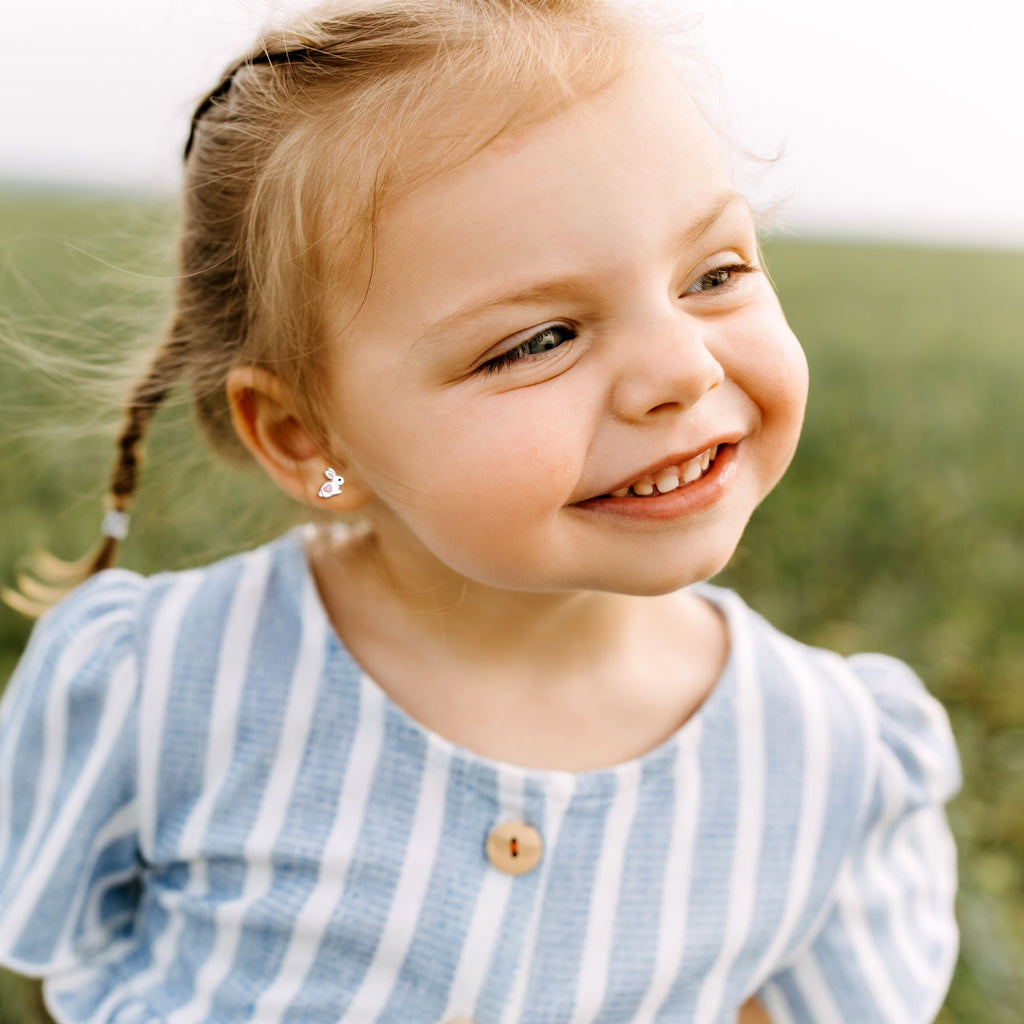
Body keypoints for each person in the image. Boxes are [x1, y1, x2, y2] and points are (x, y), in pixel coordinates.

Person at [0, 0, 961, 1021]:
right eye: (538, 340)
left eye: (715, 273)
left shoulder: (828, 757)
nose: (683, 369)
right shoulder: (161, 686)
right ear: (305, 438)